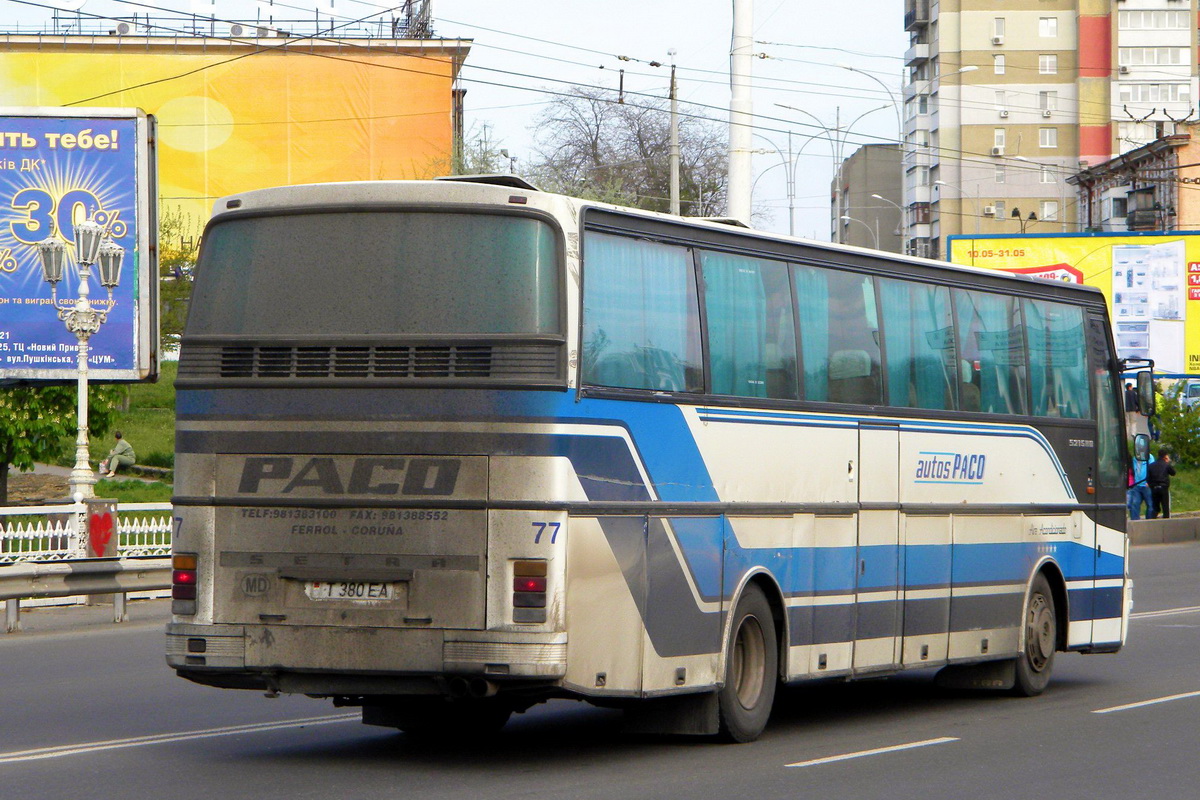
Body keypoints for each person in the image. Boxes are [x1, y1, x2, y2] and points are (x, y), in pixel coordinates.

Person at [1147, 448, 1176, 519]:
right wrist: (1168, 462)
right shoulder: (1166, 465)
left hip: (1154, 488)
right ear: (1165, 456)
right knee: (1165, 507)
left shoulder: (1151, 466)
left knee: (1155, 507)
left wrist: (1151, 485)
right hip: (1163, 487)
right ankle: (1165, 522)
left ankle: (1152, 520)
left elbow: (1148, 478)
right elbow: (1173, 473)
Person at [1127, 448, 1154, 520]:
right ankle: (1135, 521)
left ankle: (1149, 520)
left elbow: (1152, 470)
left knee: (1150, 504)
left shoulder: (1149, 458)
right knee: (1135, 504)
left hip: (1146, 484)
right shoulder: (1134, 459)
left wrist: (1150, 482)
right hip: (1137, 484)